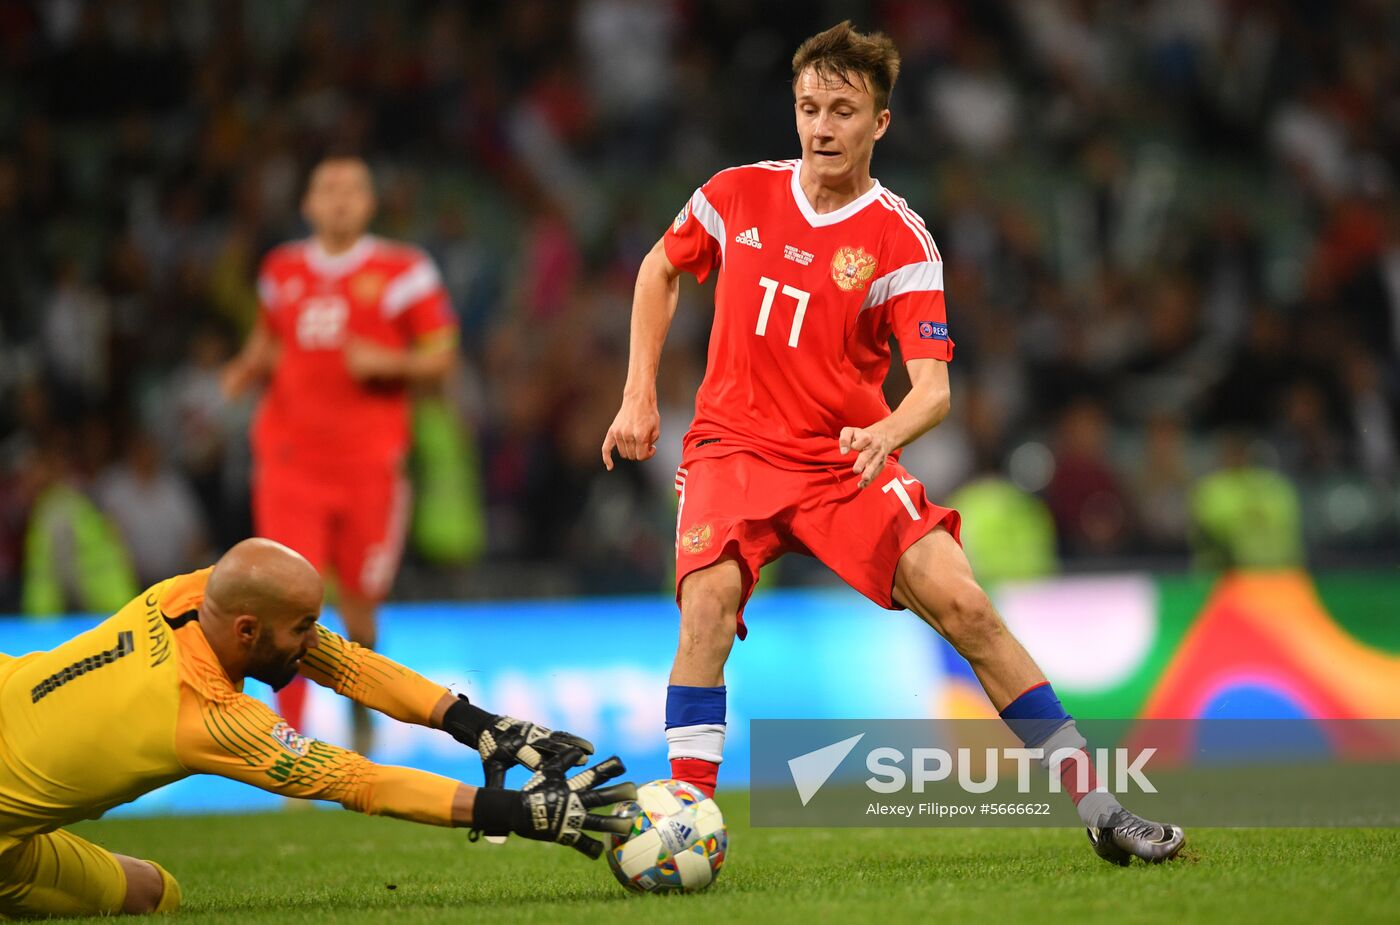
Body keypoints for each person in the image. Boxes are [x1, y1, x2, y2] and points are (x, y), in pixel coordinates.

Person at [601, 21, 1183, 865]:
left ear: (880, 121)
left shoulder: (901, 241)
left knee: (969, 608)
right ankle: (686, 821)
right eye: (809, 107)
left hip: (845, 459)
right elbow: (658, 267)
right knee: (706, 611)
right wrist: (638, 393)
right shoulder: (735, 193)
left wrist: (885, 428)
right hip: (734, 449)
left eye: (842, 109)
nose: (822, 126)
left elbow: (936, 390)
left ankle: (1100, 807)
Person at [0, 538, 633, 918]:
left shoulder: (188, 596)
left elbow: (347, 664)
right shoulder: (210, 715)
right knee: (153, 896)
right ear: (248, 631)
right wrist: (517, 813)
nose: (311, 642)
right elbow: (359, 780)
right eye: (301, 626)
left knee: (150, 892)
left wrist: (481, 725)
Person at [222, 156, 458, 755]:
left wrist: (390, 363)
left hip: (368, 466)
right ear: (307, 204)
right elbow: (270, 336)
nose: (340, 200)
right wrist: (244, 369)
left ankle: (361, 709)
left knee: (358, 605)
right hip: (290, 462)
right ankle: (290, 743)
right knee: (284, 596)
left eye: (352, 189)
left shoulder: (404, 270)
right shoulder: (280, 270)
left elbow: (442, 356)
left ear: (370, 202)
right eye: (327, 188)